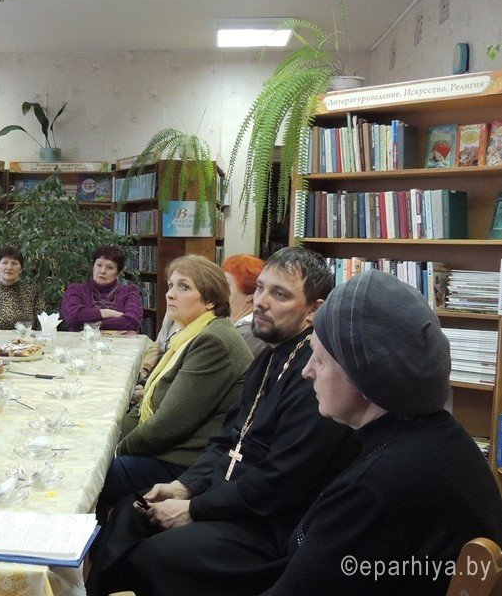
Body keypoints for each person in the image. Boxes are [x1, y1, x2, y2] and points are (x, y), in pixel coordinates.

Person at [87, 247, 361, 596]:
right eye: (260, 288)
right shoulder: (268, 358)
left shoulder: (314, 376)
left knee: (153, 556)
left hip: (268, 526)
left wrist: (195, 508)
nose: (260, 301)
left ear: (314, 310)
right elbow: (227, 439)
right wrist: (184, 486)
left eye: (279, 294)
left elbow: (281, 482)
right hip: (226, 493)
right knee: (131, 512)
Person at [262, 270, 502, 595]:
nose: (307, 371)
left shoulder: (374, 489)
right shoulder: (442, 435)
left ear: (365, 377)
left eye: (319, 359)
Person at [96, 255, 254, 522]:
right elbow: (147, 404)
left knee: (89, 474)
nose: (170, 294)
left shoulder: (213, 341)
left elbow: (169, 423)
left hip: (184, 465)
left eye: (184, 287)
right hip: (168, 451)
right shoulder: (190, 334)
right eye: (170, 285)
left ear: (210, 300)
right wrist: (107, 440)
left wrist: (116, 448)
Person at [61, 245, 143, 333]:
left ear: (117, 273)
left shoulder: (129, 292)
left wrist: (92, 323)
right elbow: (72, 316)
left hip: (117, 342)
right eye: (99, 265)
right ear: (93, 267)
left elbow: (132, 321)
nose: (102, 271)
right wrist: (108, 313)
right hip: (80, 341)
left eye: (110, 267)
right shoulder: (76, 290)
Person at [0, 246, 45, 330]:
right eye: (5, 263)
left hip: (26, 338)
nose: (9, 267)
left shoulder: (33, 293)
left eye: (14, 263)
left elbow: (42, 328)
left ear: (21, 269)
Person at [221, 253, 266, 356]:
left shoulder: (248, 334)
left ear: (250, 295)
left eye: (226, 285)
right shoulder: (230, 324)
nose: (219, 289)